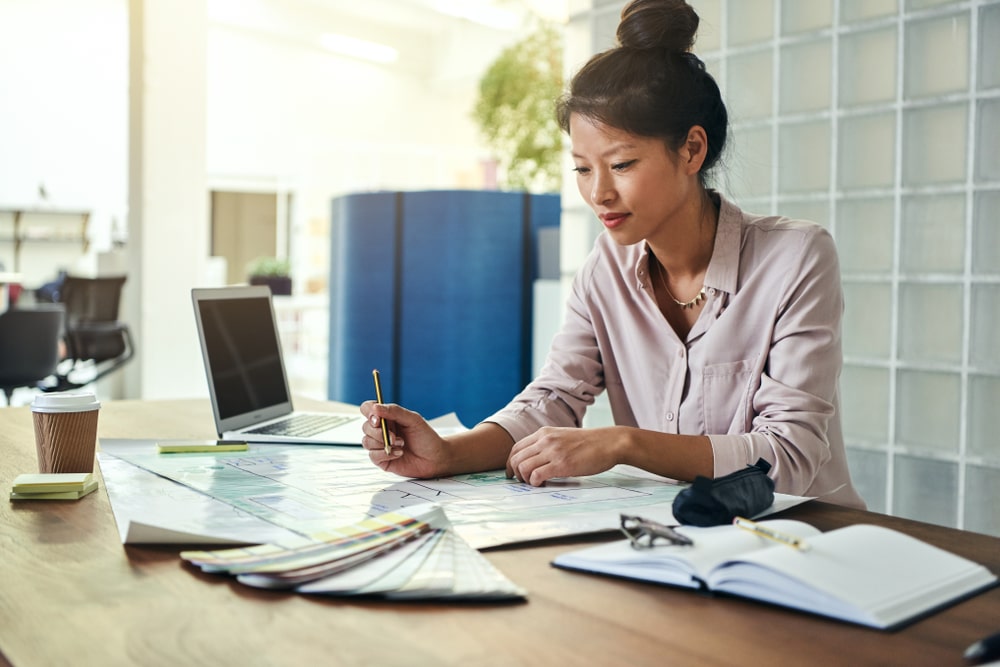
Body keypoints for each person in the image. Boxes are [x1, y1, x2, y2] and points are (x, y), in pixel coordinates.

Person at [360, 0, 866, 509]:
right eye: (583, 169)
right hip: (676, 538)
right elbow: (554, 400)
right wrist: (446, 453)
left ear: (692, 150)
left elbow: (790, 457)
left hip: (804, 538)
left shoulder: (797, 256)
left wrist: (626, 444)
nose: (598, 193)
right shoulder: (606, 267)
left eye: (621, 164)